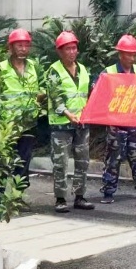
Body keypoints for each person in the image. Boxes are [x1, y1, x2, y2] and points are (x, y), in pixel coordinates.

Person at [45, 31, 96, 214]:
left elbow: (89, 94)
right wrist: (68, 114)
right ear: (60, 51)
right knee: (61, 163)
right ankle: (60, 199)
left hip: (81, 124)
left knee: (83, 161)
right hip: (61, 125)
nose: (72, 52)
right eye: (67, 49)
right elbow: (55, 97)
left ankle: (80, 196)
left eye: (74, 48)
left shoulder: (83, 69)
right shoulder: (54, 71)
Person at [100, 34, 136, 203]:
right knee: (113, 158)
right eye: (128, 54)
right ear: (120, 54)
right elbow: (99, 95)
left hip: (135, 122)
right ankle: (108, 191)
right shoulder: (108, 72)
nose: (132, 58)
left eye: (134, 54)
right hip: (116, 123)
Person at [0, 28, 45, 191]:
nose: (23, 49)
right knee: (2, 162)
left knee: (24, 161)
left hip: (28, 124)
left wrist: (41, 96)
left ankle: (18, 196)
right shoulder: (1, 68)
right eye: (19, 45)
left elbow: (43, 86)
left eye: (26, 45)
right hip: (6, 125)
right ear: (10, 47)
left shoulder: (34, 67)